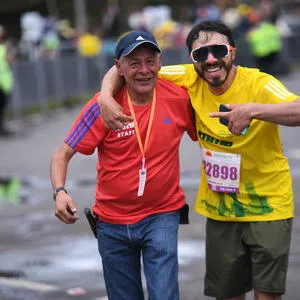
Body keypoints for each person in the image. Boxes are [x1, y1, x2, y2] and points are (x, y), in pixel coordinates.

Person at [97, 21, 300, 300]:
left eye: (218, 50)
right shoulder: (188, 77)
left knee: (267, 296)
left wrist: (255, 110)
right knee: (227, 294)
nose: (211, 59)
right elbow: (128, 67)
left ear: (233, 52)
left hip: (268, 206)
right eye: (200, 54)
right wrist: (105, 97)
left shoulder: (259, 83)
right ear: (192, 60)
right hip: (221, 211)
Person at [50, 30, 197, 300]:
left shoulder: (179, 98)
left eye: (150, 61)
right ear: (119, 67)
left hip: (162, 216)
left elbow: (210, 133)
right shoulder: (103, 107)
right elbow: (62, 154)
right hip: (112, 224)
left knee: (165, 295)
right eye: (134, 63)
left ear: (160, 62)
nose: (144, 70)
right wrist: (59, 192)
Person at [0, 25, 14, 136]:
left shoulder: (3, 47)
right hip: (3, 82)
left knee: (2, 107)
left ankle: (2, 127)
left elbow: (9, 60)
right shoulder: (3, 47)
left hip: (4, 82)